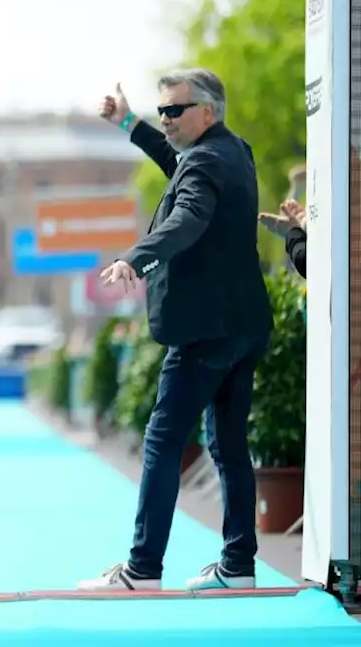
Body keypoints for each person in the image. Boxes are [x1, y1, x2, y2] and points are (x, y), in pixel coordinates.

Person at [81, 70, 272, 592]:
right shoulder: (232, 152)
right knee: (228, 445)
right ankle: (239, 564)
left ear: (207, 112)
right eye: (160, 111)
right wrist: (128, 123)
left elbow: (186, 217)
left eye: (174, 111)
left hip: (205, 333)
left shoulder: (206, 162)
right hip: (243, 324)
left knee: (163, 440)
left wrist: (135, 258)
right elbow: (182, 170)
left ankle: (143, 569)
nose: (164, 120)